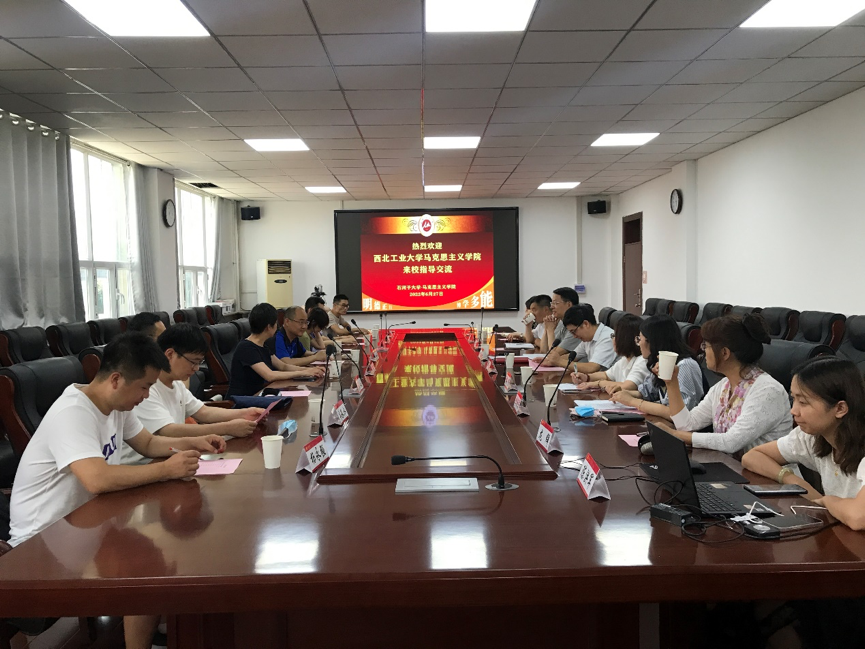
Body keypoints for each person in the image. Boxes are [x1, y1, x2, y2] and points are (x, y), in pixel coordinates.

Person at [8, 332, 225, 649]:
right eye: (144, 387)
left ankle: (164, 627)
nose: (146, 395)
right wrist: (166, 469)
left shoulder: (117, 405)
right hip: (41, 544)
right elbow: (96, 479)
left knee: (164, 555)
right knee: (147, 571)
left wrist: (194, 441)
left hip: (85, 525)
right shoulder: (73, 412)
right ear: (115, 379)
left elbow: (147, 443)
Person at [743, 357, 865, 528]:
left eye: (803, 402)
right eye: (793, 399)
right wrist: (794, 481)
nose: (793, 411)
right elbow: (753, 456)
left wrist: (827, 501)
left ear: (840, 409)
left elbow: (859, 517)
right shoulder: (812, 437)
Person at [122, 324, 266, 464]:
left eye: (199, 362)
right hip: (145, 464)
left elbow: (203, 412)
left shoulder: (176, 384)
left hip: (171, 457)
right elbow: (168, 430)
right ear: (170, 354)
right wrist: (227, 428)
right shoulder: (145, 389)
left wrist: (244, 413)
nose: (197, 368)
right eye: (193, 362)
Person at [659, 314, 792, 455]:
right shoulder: (724, 386)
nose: (703, 350)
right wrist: (671, 383)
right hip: (728, 465)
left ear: (724, 353)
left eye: (706, 346)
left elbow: (730, 442)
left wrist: (674, 434)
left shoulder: (767, 391)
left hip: (763, 469)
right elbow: (687, 424)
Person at [610, 315, 704, 420]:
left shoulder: (685, 365)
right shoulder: (658, 362)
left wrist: (632, 401)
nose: (638, 343)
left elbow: (680, 414)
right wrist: (624, 394)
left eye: (639, 339)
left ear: (653, 341)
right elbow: (647, 392)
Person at [227, 303, 324, 398]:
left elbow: (283, 366)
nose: (277, 327)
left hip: (258, 396)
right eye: (276, 323)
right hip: (242, 400)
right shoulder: (247, 348)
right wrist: (304, 373)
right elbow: (270, 375)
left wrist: (310, 370)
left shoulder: (263, 346)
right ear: (269, 327)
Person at [572, 313, 651, 392]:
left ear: (624, 339)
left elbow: (626, 386)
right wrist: (586, 377)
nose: (613, 339)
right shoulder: (625, 360)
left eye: (614, 335)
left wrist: (598, 383)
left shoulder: (642, 361)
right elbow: (606, 375)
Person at [550, 304, 617, 373]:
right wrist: (550, 361)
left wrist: (560, 362)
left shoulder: (607, 337)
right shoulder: (588, 338)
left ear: (585, 324)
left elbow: (592, 367)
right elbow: (572, 357)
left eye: (574, 331)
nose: (574, 336)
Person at [540, 287, 581, 364]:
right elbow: (543, 350)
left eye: (556, 303)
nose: (551, 307)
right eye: (552, 303)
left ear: (569, 304)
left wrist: (550, 330)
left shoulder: (576, 327)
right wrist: (547, 328)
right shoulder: (564, 324)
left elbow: (552, 354)